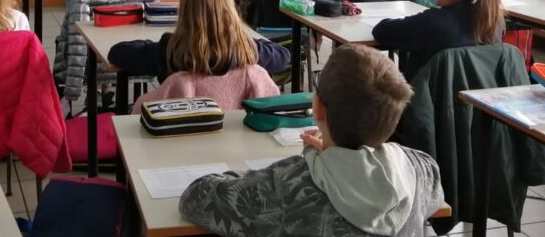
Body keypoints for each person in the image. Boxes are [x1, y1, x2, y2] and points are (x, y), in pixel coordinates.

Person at [179, 45, 443, 236]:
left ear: (317, 109)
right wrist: (338, 160)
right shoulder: (420, 168)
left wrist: (314, 161)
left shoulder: (287, 183)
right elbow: (432, 201)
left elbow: (195, 198)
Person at [108, 0, 289, 82]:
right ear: (229, 8)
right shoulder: (246, 49)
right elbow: (283, 56)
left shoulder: (170, 49)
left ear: (184, 10)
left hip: (180, 131)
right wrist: (245, 40)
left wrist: (149, 43)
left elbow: (117, 52)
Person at [371, 0, 504, 80]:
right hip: (473, 99)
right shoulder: (493, 22)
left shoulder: (431, 23)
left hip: (425, 100)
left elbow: (381, 31)